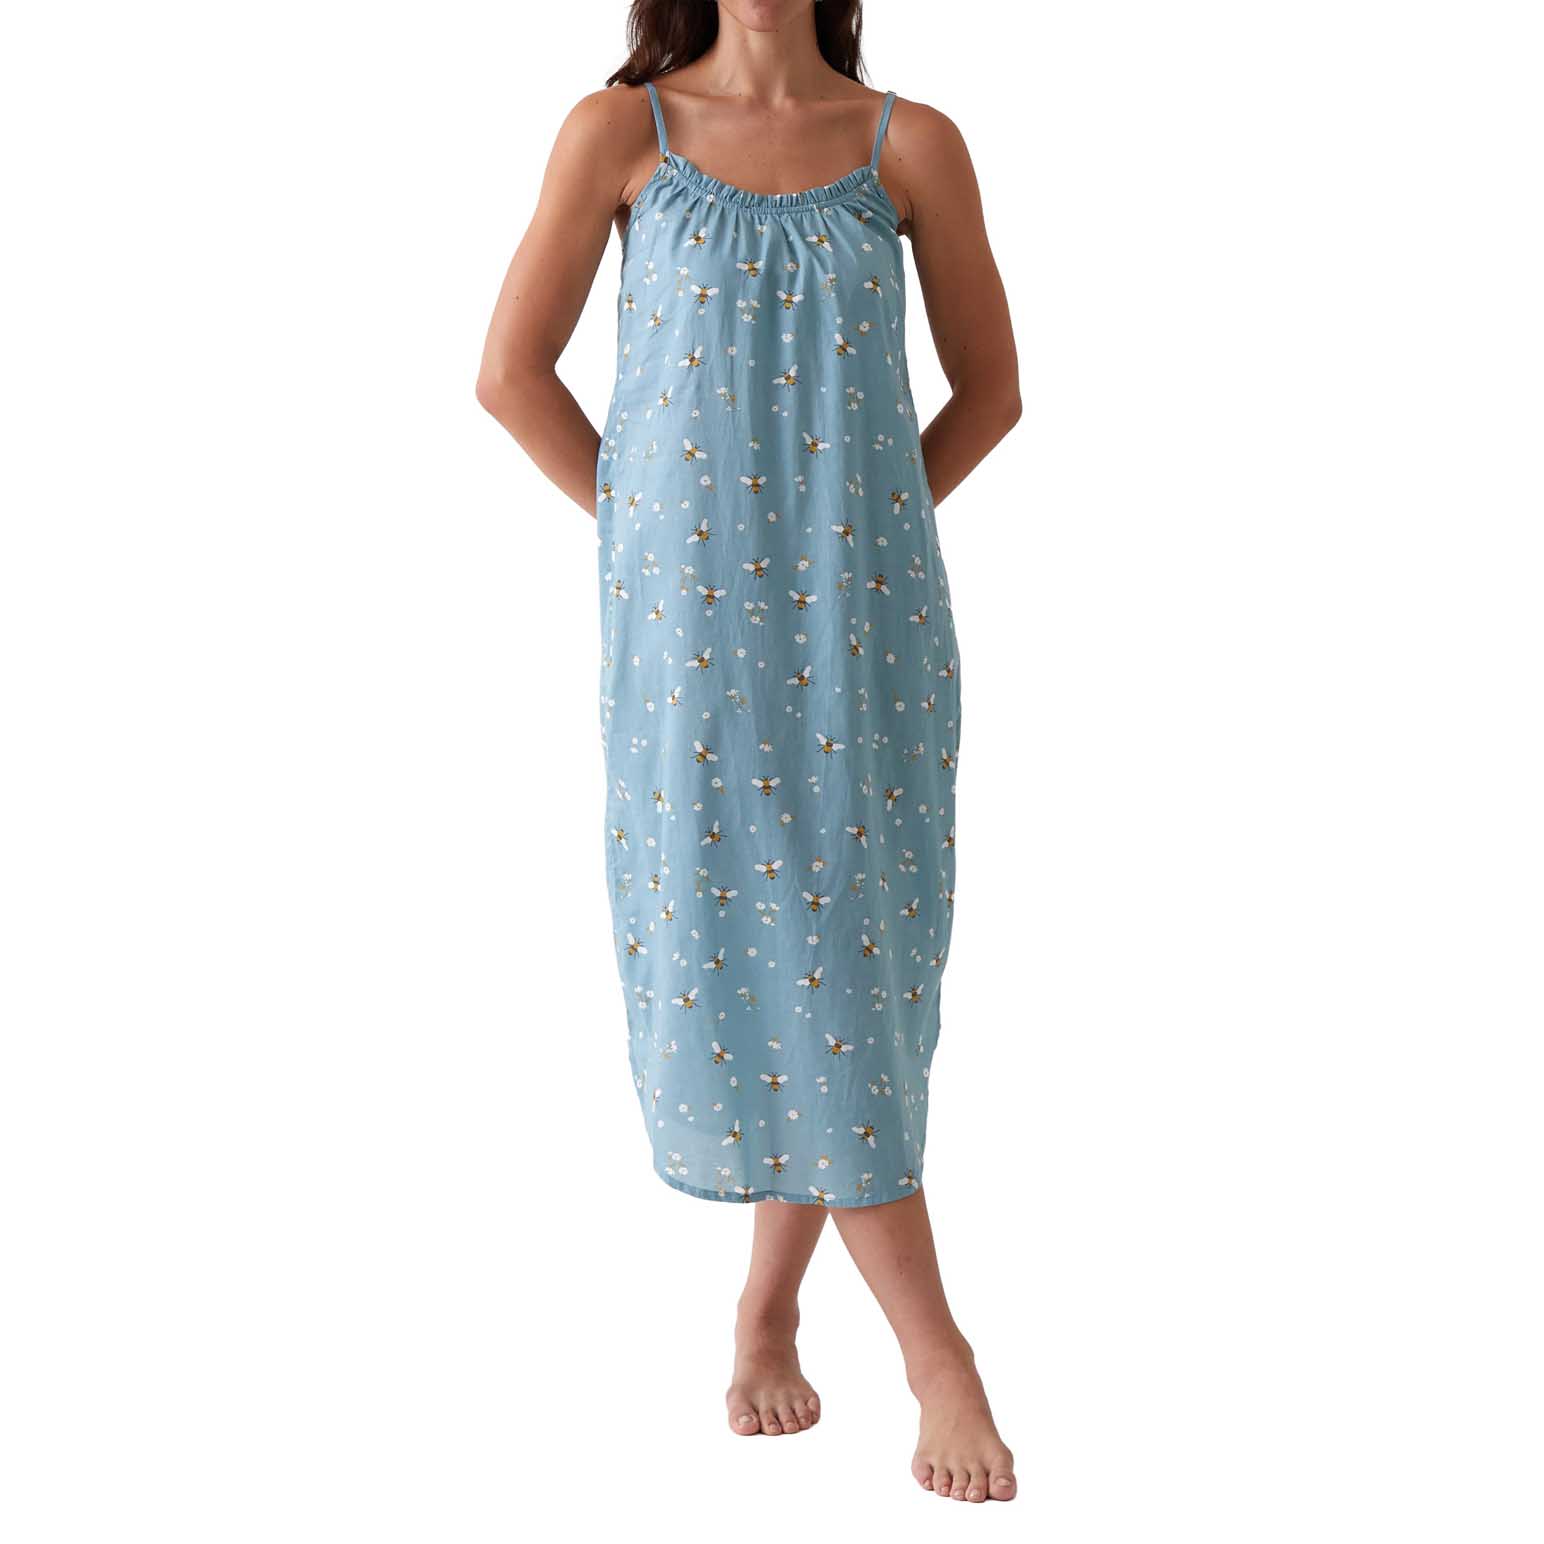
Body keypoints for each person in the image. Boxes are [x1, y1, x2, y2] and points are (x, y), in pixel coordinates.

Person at [477, 0, 1021, 1502]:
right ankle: (903, 1343)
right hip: (689, 645)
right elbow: (509, 373)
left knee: (849, 963)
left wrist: (857, 530)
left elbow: (994, 391)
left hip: (867, 630)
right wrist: (656, 534)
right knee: (759, 958)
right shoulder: (620, 134)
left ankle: (828, 1323)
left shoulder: (913, 146)